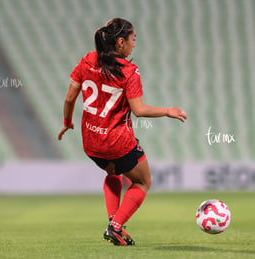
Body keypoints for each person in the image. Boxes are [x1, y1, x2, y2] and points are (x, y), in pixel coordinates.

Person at [58, 18, 187, 246]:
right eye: (133, 39)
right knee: (143, 182)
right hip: (117, 142)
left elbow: (70, 97)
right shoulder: (129, 70)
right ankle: (115, 226)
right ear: (120, 42)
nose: (134, 45)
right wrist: (167, 110)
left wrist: (67, 122)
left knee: (113, 173)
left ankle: (113, 221)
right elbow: (139, 110)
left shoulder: (88, 60)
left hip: (90, 141)